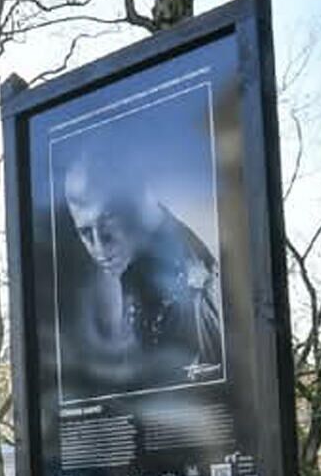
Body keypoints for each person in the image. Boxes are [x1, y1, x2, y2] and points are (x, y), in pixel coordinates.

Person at [53, 137, 222, 398]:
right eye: (85, 232)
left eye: (108, 220)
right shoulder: (134, 274)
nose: (99, 247)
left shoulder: (197, 282)